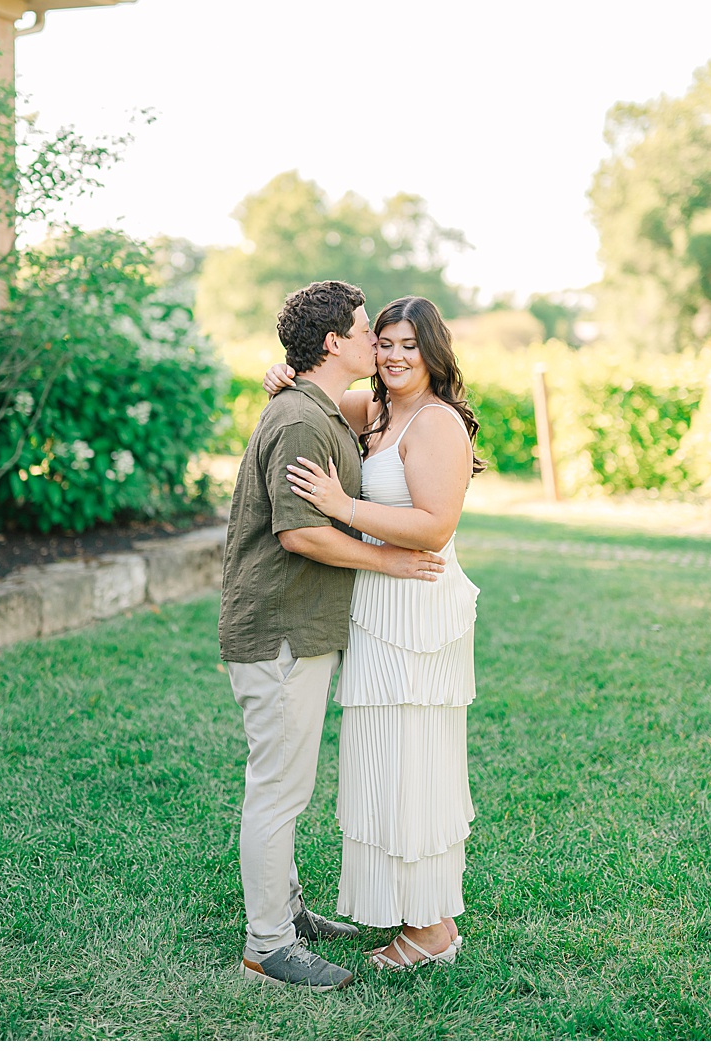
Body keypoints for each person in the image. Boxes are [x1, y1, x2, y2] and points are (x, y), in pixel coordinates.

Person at [218, 280, 448, 991]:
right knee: (278, 790)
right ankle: (267, 945)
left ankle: (287, 910)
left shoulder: (316, 407)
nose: (375, 345)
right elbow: (299, 531)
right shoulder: (301, 419)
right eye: (364, 331)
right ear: (333, 343)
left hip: (296, 627)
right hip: (281, 629)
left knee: (283, 782)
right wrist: (388, 560)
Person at [264, 294, 481, 970]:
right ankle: (420, 915)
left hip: (415, 608)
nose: (391, 355)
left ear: (433, 351)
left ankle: (432, 928)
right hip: (376, 607)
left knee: (413, 761)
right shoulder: (377, 410)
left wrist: (341, 505)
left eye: (408, 345)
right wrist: (279, 379)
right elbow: (316, 400)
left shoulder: (438, 422)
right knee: (385, 765)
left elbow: (435, 526)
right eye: (383, 341)